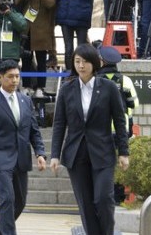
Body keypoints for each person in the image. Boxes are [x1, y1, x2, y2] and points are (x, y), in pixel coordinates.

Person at [50, 44, 129, 235]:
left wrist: (124, 152)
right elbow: (59, 124)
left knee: (103, 199)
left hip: (102, 152)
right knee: (85, 204)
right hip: (76, 154)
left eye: (85, 61)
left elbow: (120, 121)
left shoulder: (108, 88)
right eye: (77, 61)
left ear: (95, 63)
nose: (81, 65)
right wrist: (54, 155)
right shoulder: (67, 89)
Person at [0, 59, 46, 235]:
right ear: (0, 77)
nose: (14, 80)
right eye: (10, 77)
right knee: (7, 198)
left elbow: (34, 130)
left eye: (17, 76)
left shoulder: (25, 101)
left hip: (21, 157)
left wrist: (40, 153)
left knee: (20, 202)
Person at [15, 0, 56, 98]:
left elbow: (50, 4)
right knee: (26, 60)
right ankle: (26, 85)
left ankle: (40, 87)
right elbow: (17, 2)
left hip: (42, 33)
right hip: (27, 31)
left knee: (41, 62)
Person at [51, 0, 98, 71]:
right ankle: (69, 73)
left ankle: (81, 71)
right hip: (66, 17)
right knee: (68, 49)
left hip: (81, 18)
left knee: (81, 48)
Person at [96, 45, 139, 138]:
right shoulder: (125, 80)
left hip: (100, 129)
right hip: (122, 127)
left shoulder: (94, 81)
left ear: (102, 62)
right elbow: (134, 104)